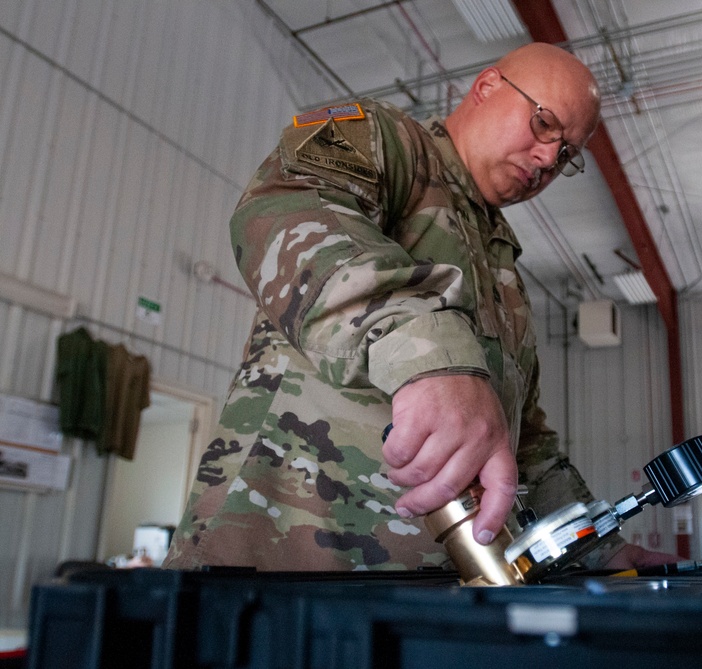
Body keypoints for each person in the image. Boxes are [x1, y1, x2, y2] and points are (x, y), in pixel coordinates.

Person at [164, 42, 675, 573]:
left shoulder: (502, 264)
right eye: (544, 124)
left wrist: (594, 547)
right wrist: (434, 358)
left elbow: (524, 439)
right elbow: (287, 208)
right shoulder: (385, 139)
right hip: (280, 564)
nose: (549, 158)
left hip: (430, 587)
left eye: (566, 153)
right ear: (486, 88)